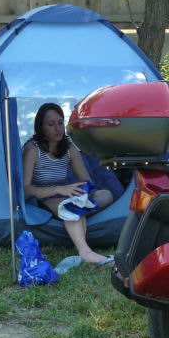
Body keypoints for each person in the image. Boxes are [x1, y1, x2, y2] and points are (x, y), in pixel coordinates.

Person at [22, 102, 114, 265]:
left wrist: (84, 190)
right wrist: (59, 189)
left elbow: (86, 180)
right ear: (41, 127)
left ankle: (78, 211)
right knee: (70, 207)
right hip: (43, 196)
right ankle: (85, 252)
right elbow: (26, 189)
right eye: (51, 124)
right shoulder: (32, 149)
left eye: (60, 123)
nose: (57, 128)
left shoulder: (69, 147)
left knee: (105, 194)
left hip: (66, 193)